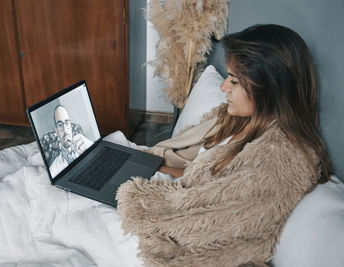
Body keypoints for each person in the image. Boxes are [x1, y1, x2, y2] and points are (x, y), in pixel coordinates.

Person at [116, 24, 335, 266]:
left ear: (269, 88)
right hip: (165, 193)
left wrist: (140, 195)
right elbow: (200, 180)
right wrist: (150, 167)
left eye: (234, 81)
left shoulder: (278, 160)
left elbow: (211, 222)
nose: (223, 87)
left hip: (166, 235)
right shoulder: (240, 123)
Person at [49, 105, 93, 177]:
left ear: (71, 126)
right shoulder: (53, 171)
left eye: (67, 123)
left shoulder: (86, 145)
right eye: (60, 125)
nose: (65, 130)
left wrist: (91, 147)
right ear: (56, 132)